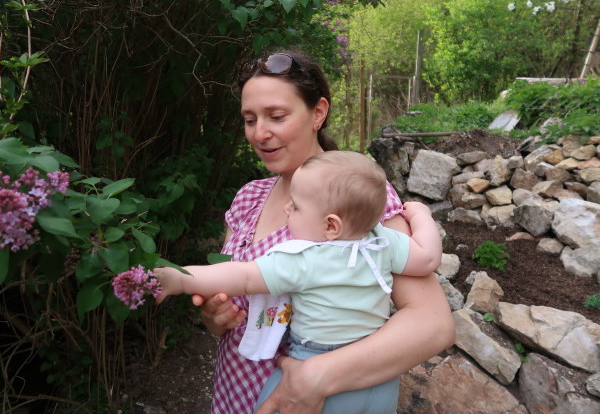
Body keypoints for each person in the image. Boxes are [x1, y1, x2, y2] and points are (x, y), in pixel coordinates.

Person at [186, 50, 454, 414]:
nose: (260, 133)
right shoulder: (247, 199)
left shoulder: (359, 202)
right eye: (250, 119)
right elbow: (239, 303)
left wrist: (317, 376)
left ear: (318, 113)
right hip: (236, 393)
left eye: (276, 116)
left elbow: (432, 324)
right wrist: (217, 319)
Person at [154, 150, 443, 413]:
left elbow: (241, 275)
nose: (287, 210)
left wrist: (180, 279)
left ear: (331, 225)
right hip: (377, 378)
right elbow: (428, 258)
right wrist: (421, 215)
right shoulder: (382, 241)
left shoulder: (304, 259)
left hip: (312, 364)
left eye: (297, 207)